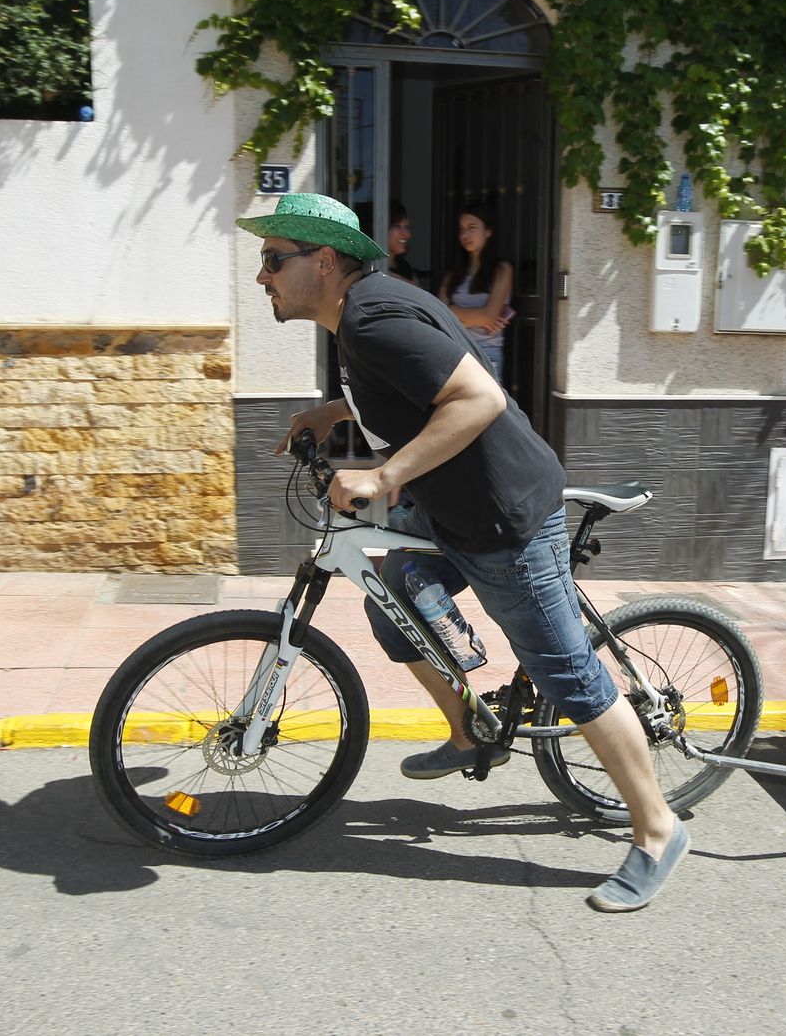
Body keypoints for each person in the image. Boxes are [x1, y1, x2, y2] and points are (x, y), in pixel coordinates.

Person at [238, 193, 688, 913]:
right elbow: (410, 386)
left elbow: (474, 396)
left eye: (271, 260)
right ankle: (471, 733)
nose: (261, 275)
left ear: (322, 261)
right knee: (393, 602)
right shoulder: (363, 314)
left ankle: (658, 828)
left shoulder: (373, 316)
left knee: (568, 673)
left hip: (502, 519)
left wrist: (384, 475)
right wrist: (331, 411)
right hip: (449, 509)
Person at [437, 203, 514, 381]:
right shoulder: (452, 274)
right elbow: (440, 317)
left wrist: (452, 310)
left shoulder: (502, 269)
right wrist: (479, 318)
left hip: (486, 354)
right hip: (456, 353)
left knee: (489, 408)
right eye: (462, 229)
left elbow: (489, 315)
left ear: (488, 231)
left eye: (472, 228)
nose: (465, 235)